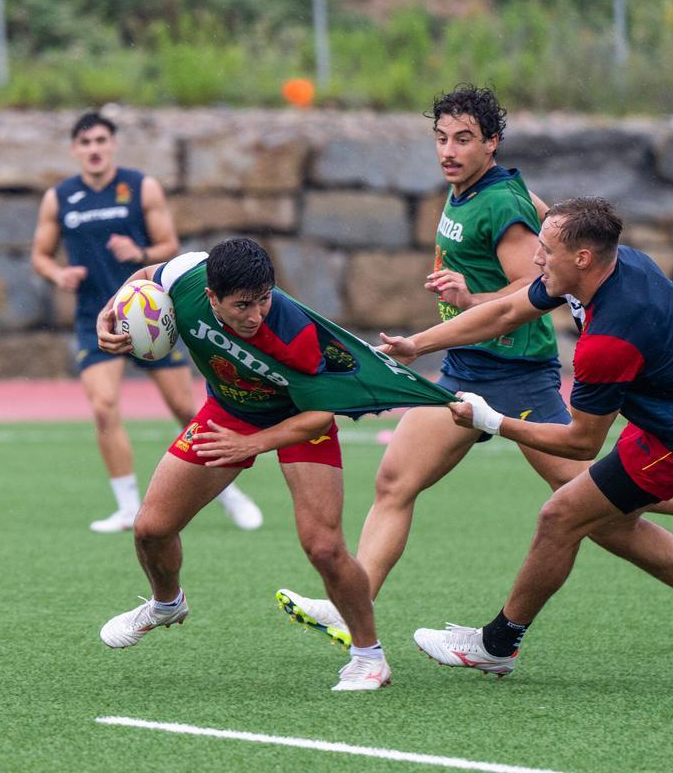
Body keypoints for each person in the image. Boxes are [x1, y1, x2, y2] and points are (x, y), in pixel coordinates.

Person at [275, 85, 673, 650]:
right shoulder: (474, 191)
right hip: (465, 368)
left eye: (464, 139)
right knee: (396, 481)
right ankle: (351, 604)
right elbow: (544, 261)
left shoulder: (501, 202)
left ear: (492, 143)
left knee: (591, 508)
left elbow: (527, 289)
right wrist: (421, 344)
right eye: (441, 139)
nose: (449, 151)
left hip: (516, 375)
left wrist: (467, 297)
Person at [383, 197, 673, 686]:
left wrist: (492, 421)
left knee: (561, 516)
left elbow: (579, 442)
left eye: (545, 250)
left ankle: (496, 644)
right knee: (598, 518)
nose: (534, 258)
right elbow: (507, 311)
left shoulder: (608, 342)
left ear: (583, 259)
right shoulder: (607, 266)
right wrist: (418, 344)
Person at [95, 237, 457, 691]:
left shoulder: (298, 335)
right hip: (228, 413)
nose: (255, 315)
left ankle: (370, 657)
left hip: (300, 419)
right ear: (211, 296)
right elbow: (144, 279)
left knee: (323, 547)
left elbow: (320, 416)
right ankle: (166, 604)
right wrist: (109, 312)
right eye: (242, 305)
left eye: (264, 299)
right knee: (150, 528)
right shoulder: (186, 275)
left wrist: (253, 445)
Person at [31, 111, 262, 533]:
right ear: (74, 150)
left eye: (101, 140)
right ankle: (125, 506)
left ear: (112, 144)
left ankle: (229, 494)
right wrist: (56, 274)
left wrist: (137, 252)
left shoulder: (140, 188)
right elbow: (41, 254)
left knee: (184, 408)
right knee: (103, 407)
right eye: (85, 143)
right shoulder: (60, 197)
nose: (94, 149)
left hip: (155, 317)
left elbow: (169, 246)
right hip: (95, 319)